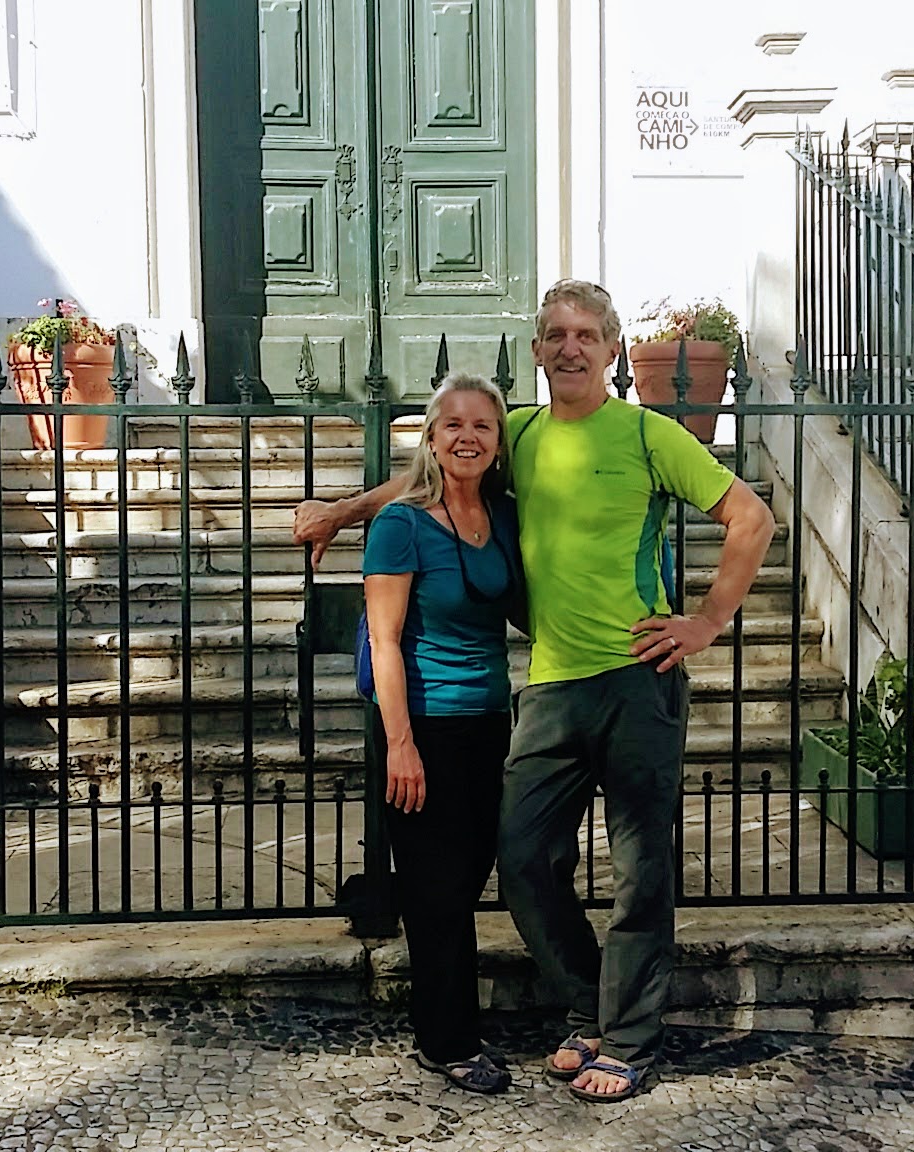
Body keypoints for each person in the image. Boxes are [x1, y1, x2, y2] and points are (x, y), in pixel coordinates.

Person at [295, 280, 776, 1103]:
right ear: (537, 350)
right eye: (555, 333)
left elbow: (750, 515)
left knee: (639, 869)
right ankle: (591, 1006)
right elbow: (440, 472)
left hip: (637, 678)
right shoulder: (517, 432)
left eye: (587, 333)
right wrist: (344, 511)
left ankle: (626, 1037)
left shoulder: (648, 434)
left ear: (614, 346)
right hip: (551, 682)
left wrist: (706, 623)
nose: (570, 346)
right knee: (521, 861)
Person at [362, 373, 523, 1096]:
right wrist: (400, 744)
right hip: (420, 725)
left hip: (488, 720)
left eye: (482, 426)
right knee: (436, 889)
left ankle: (454, 1020)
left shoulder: (502, 515)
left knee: (469, 873)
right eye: (452, 424)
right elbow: (385, 640)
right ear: (430, 438)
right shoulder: (402, 523)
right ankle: (446, 1040)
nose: (467, 436)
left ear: (498, 441)